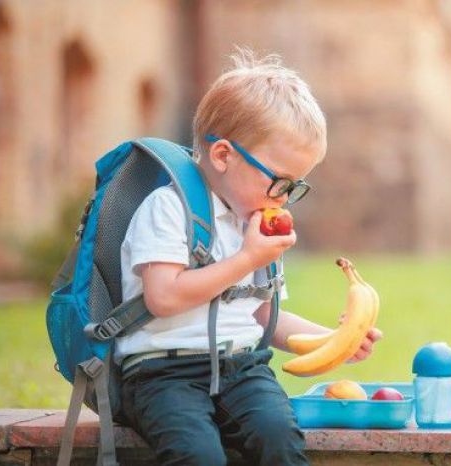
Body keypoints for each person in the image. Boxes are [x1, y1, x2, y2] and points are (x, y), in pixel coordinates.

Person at [115, 48, 382, 466]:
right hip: (163, 374)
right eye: (279, 181)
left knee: (280, 439)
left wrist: (337, 341)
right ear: (223, 155)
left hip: (242, 368)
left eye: (295, 186)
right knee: (197, 455)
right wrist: (246, 258)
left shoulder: (254, 224)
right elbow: (162, 298)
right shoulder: (168, 209)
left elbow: (263, 317)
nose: (282, 197)